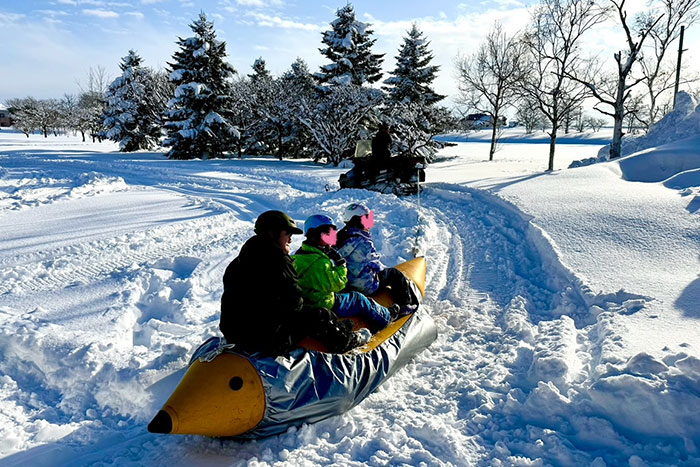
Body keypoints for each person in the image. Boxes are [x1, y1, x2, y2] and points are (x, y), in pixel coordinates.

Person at [220, 210, 369, 356]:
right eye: (288, 234)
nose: (291, 240)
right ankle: (345, 342)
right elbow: (294, 305)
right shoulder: (278, 261)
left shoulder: (240, 260)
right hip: (264, 339)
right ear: (272, 233)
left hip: (235, 333)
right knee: (319, 315)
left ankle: (340, 326)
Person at [293, 214, 398, 334]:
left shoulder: (300, 255)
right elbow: (340, 283)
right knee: (358, 299)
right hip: (323, 303)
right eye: (327, 232)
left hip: (309, 299)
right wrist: (341, 264)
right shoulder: (320, 263)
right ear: (314, 235)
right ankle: (386, 317)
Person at [336, 203, 419, 315]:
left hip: (347, 286)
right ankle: (405, 305)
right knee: (394, 274)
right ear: (358, 221)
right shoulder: (364, 242)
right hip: (366, 286)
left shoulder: (339, 239)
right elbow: (377, 266)